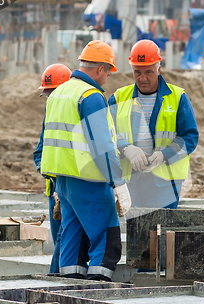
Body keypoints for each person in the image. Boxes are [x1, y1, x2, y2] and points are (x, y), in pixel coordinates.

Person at [41, 40, 131, 281]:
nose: (107, 77)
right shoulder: (90, 96)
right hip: (89, 180)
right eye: (108, 71)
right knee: (106, 241)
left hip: (63, 182)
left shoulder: (59, 93)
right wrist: (118, 182)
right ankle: (97, 294)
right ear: (100, 69)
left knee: (73, 239)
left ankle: (69, 290)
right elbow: (102, 146)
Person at [109, 39, 198, 209]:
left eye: (149, 72)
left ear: (159, 68)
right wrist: (125, 148)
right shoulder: (119, 98)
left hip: (165, 183)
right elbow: (106, 133)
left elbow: (189, 137)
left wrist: (163, 155)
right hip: (131, 182)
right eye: (137, 72)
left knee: (159, 232)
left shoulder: (177, 97)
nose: (142, 78)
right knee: (135, 232)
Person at [33, 63, 71, 274]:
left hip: (70, 190)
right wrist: (47, 172)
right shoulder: (49, 118)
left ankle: (55, 278)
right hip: (53, 194)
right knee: (60, 242)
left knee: (66, 240)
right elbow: (39, 153)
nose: (49, 100)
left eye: (52, 94)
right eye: (47, 96)